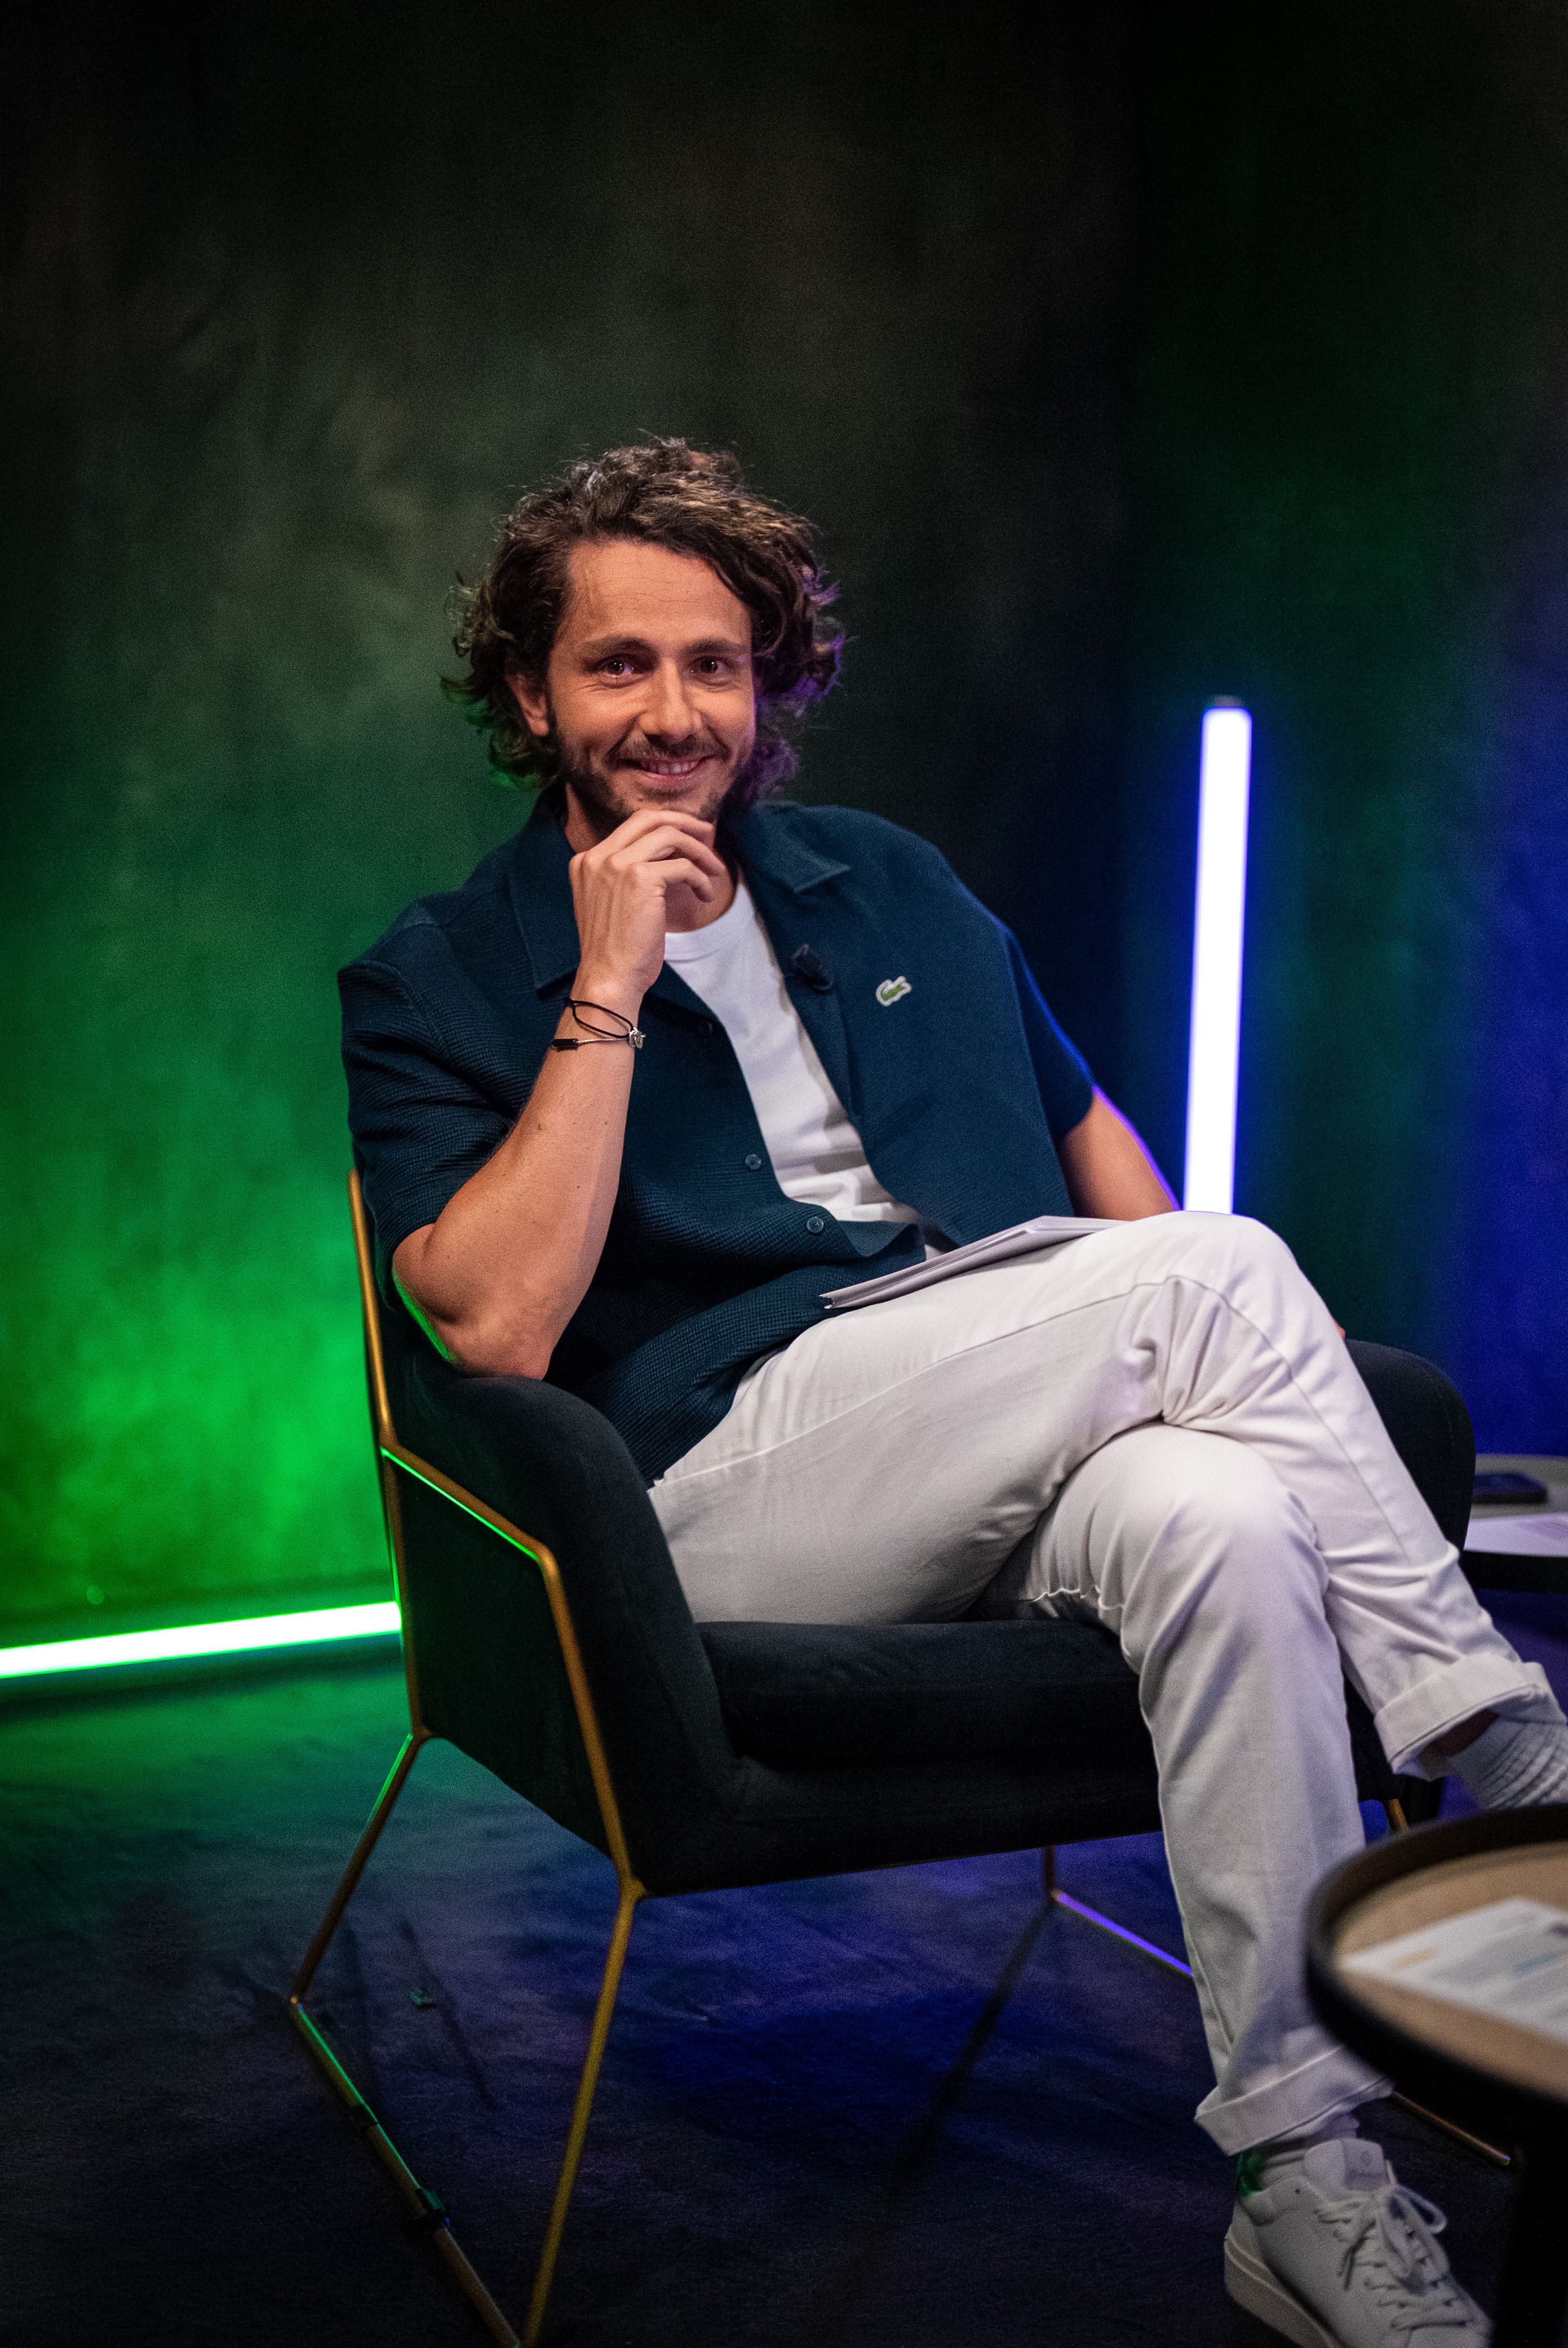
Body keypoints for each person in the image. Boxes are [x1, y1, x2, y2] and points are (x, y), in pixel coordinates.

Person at [341, 438, 1566, 2348]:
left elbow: (1117, 1194)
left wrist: (1158, 1394)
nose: (676, 713)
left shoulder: (892, 884)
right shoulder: (440, 975)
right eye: (619, 666)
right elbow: (489, 1334)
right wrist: (605, 986)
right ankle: (1510, 1763)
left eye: (718, 665)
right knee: (1226, 1268)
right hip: (727, 1499)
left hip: (1003, 1422)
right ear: (528, 693)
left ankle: (1312, 2180)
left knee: (1228, 1521)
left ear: (770, 686)